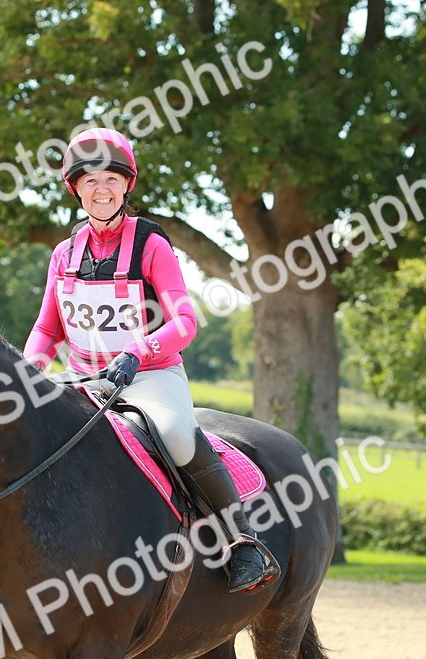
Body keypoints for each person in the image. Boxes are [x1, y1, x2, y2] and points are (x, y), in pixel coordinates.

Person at [23, 127, 280, 593]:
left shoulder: (151, 245)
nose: (101, 190)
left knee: (178, 435)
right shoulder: (63, 254)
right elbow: (47, 329)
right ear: (76, 189)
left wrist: (137, 352)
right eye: (90, 181)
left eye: (110, 180)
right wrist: (29, 368)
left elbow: (184, 322)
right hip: (84, 378)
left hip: (148, 375)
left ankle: (243, 540)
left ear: (126, 185)